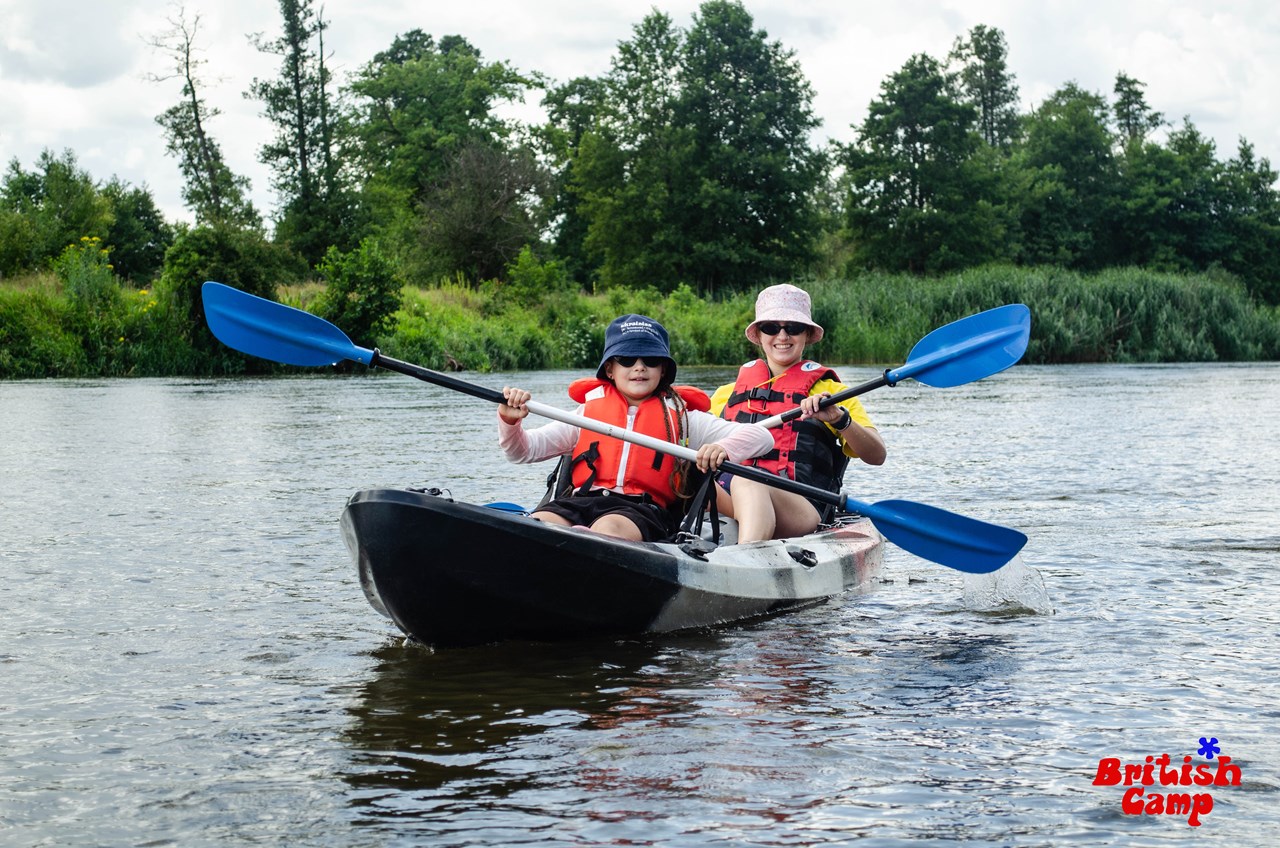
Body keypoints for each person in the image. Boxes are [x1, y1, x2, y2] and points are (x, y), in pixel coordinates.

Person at [498, 314, 775, 543]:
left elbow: (762, 436)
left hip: (643, 510)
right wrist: (511, 422)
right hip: (581, 502)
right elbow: (522, 452)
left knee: (609, 530)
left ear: (663, 370)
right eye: (628, 360)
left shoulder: (684, 418)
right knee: (539, 524)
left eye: (651, 360)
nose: (639, 368)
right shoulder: (586, 414)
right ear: (610, 369)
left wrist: (722, 448)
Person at [710, 284, 886, 543]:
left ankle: (745, 558)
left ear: (807, 334)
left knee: (750, 481)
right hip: (730, 497)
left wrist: (839, 419)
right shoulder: (727, 393)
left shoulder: (831, 392)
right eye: (771, 327)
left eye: (793, 328)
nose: (782, 336)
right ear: (759, 335)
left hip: (801, 507)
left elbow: (876, 455)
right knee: (684, 479)